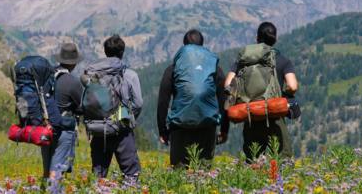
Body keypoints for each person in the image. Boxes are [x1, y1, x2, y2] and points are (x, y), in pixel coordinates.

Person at [223, 22, 299, 160]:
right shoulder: (282, 60)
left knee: (253, 160)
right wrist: (284, 94)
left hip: (251, 115)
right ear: (275, 39)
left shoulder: (243, 61)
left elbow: (228, 84)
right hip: (274, 115)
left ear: (257, 38)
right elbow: (293, 86)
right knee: (281, 161)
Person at [157, 29, 229, 167]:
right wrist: (224, 129)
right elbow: (224, 98)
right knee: (205, 174)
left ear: (184, 46)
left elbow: (163, 101)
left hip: (179, 126)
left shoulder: (174, 68)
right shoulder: (214, 67)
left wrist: (163, 131)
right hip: (207, 126)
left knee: (179, 173)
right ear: (202, 45)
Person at [88, 35, 143, 181]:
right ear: (122, 52)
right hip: (122, 130)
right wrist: (126, 118)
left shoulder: (94, 75)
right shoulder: (130, 75)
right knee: (131, 175)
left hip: (99, 129)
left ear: (105, 52)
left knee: (98, 176)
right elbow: (138, 104)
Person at [41, 43, 84, 181]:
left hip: (45, 128)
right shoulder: (73, 82)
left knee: (47, 171)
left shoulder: (47, 76)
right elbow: (81, 107)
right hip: (64, 130)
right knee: (57, 171)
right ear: (73, 64)